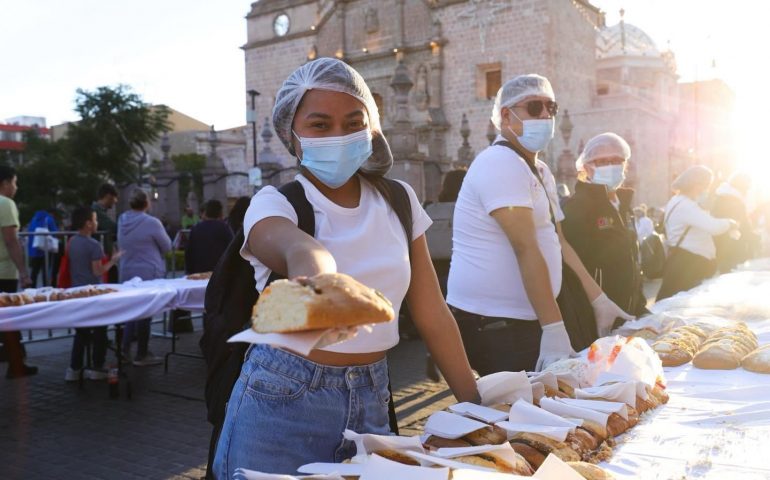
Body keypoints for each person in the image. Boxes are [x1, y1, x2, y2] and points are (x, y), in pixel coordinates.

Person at [213, 58, 479, 477]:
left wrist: (474, 406)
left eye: (353, 122)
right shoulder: (276, 203)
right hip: (283, 399)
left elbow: (432, 313)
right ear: (291, 134)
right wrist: (319, 282)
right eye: (320, 125)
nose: (339, 135)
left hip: (373, 395)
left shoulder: (399, 200)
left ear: (371, 127)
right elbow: (297, 248)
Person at [447, 74, 632, 375]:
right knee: (518, 415)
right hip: (497, 325)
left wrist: (598, 297)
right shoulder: (499, 163)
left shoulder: (540, 170)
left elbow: (559, 241)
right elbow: (525, 247)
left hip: (524, 320)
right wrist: (554, 325)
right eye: (534, 108)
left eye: (551, 108)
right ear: (506, 115)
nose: (545, 116)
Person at [561, 133, 648, 319]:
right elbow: (570, 267)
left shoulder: (623, 205)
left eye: (616, 160)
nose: (610, 166)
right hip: (596, 316)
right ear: (587, 168)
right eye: (601, 162)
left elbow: (633, 260)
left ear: (624, 164)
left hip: (628, 313)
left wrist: (641, 308)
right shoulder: (578, 207)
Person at [656, 165, 738, 301]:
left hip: (683, 261)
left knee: (673, 304)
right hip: (687, 264)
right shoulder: (686, 205)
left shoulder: (677, 201)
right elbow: (713, 227)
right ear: (696, 185)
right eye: (706, 185)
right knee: (680, 306)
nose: (707, 190)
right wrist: (730, 222)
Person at [64, 206, 123, 381]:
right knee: (100, 329)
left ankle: (74, 369)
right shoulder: (94, 245)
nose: (97, 223)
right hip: (94, 293)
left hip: (77, 291)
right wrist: (113, 260)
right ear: (88, 223)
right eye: (95, 220)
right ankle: (97, 367)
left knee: (81, 332)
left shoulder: (72, 241)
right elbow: (98, 271)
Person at [118, 188, 172, 366]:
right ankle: (142, 353)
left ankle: (125, 350)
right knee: (145, 312)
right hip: (149, 270)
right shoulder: (152, 222)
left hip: (127, 270)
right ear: (147, 203)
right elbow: (167, 246)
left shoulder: (122, 220)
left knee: (131, 312)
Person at [0, 165, 37, 378]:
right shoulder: (6, 204)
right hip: (4, 271)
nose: (16, 186)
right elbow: (11, 240)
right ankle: (16, 365)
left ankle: (16, 362)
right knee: (9, 319)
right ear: (5, 183)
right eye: (14, 182)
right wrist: (23, 272)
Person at [712, 172, 755, 272]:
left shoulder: (723, 197)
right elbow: (740, 223)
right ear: (742, 186)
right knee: (730, 272)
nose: (748, 190)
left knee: (726, 270)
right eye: (747, 187)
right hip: (731, 243)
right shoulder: (733, 200)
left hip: (722, 241)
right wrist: (751, 237)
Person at [185, 199, 233, 274]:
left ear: (206, 212)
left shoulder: (195, 229)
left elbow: (189, 253)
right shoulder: (224, 228)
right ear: (220, 213)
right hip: (219, 272)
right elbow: (232, 250)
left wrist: (190, 272)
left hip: (199, 271)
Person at [92, 183, 119, 283]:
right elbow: (113, 227)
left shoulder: (100, 210)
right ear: (108, 196)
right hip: (102, 256)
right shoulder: (97, 211)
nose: (116, 201)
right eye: (114, 198)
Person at [26, 208, 59, 286]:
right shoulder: (49, 219)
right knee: (46, 271)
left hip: (34, 250)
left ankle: (31, 289)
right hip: (46, 250)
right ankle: (46, 288)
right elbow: (55, 232)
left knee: (34, 271)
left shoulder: (33, 219)